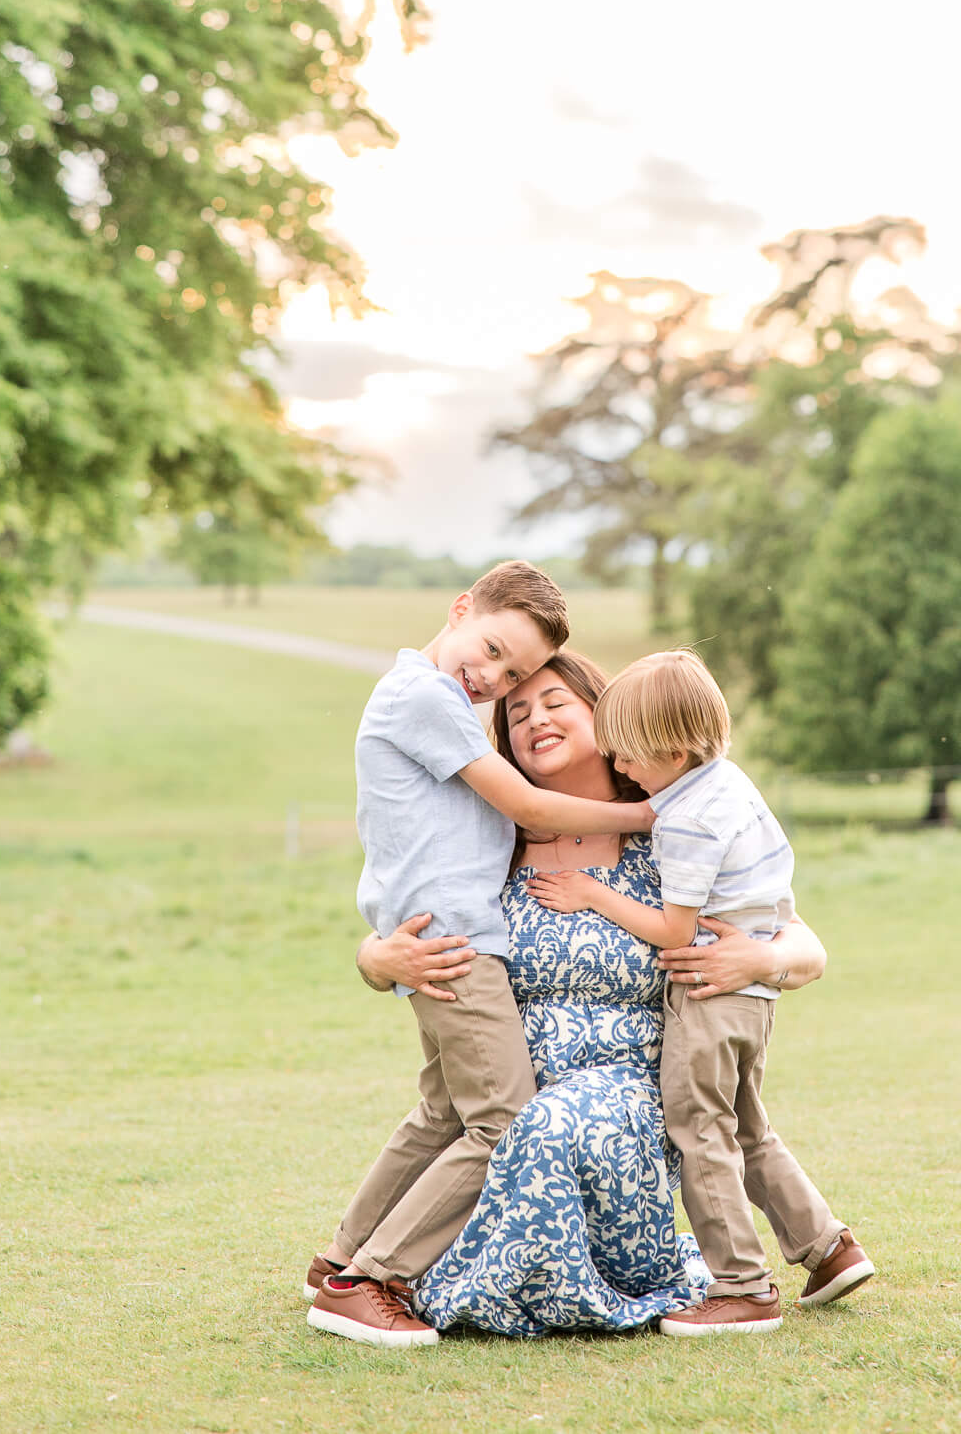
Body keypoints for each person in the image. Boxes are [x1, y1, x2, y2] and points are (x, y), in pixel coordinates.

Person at [347, 651, 829, 1337]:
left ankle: (394, 1273)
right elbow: (405, 923)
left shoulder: (673, 827)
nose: (533, 718)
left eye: (553, 702)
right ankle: (364, 1269)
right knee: (504, 1122)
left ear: (603, 719)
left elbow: (807, 944)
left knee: (537, 1127)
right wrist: (377, 956)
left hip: (626, 1092)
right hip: (507, 1099)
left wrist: (767, 955)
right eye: (515, 713)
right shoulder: (494, 841)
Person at [303, 562, 655, 1348]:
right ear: (461, 608)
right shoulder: (424, 694)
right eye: (492, 649)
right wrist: (649, 810)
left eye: (515, 672)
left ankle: (337, 1261)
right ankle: (374, 1280)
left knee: (442, 1114)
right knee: (503, 1121)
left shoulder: (428, 697)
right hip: (456, 943)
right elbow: (525, 804)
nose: (491, 677)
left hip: (442, 935)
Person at [527, 647, 873, 1336]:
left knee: (697, 1128)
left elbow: (672, 929)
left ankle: (742, 1285)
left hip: (709, 993)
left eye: (629, 754)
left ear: (676, 747)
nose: (621, 766)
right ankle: (828, 1247)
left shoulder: (690, 818)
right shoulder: (727, 784)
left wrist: (589, 891)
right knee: (746, 1124)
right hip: (752, 1000)